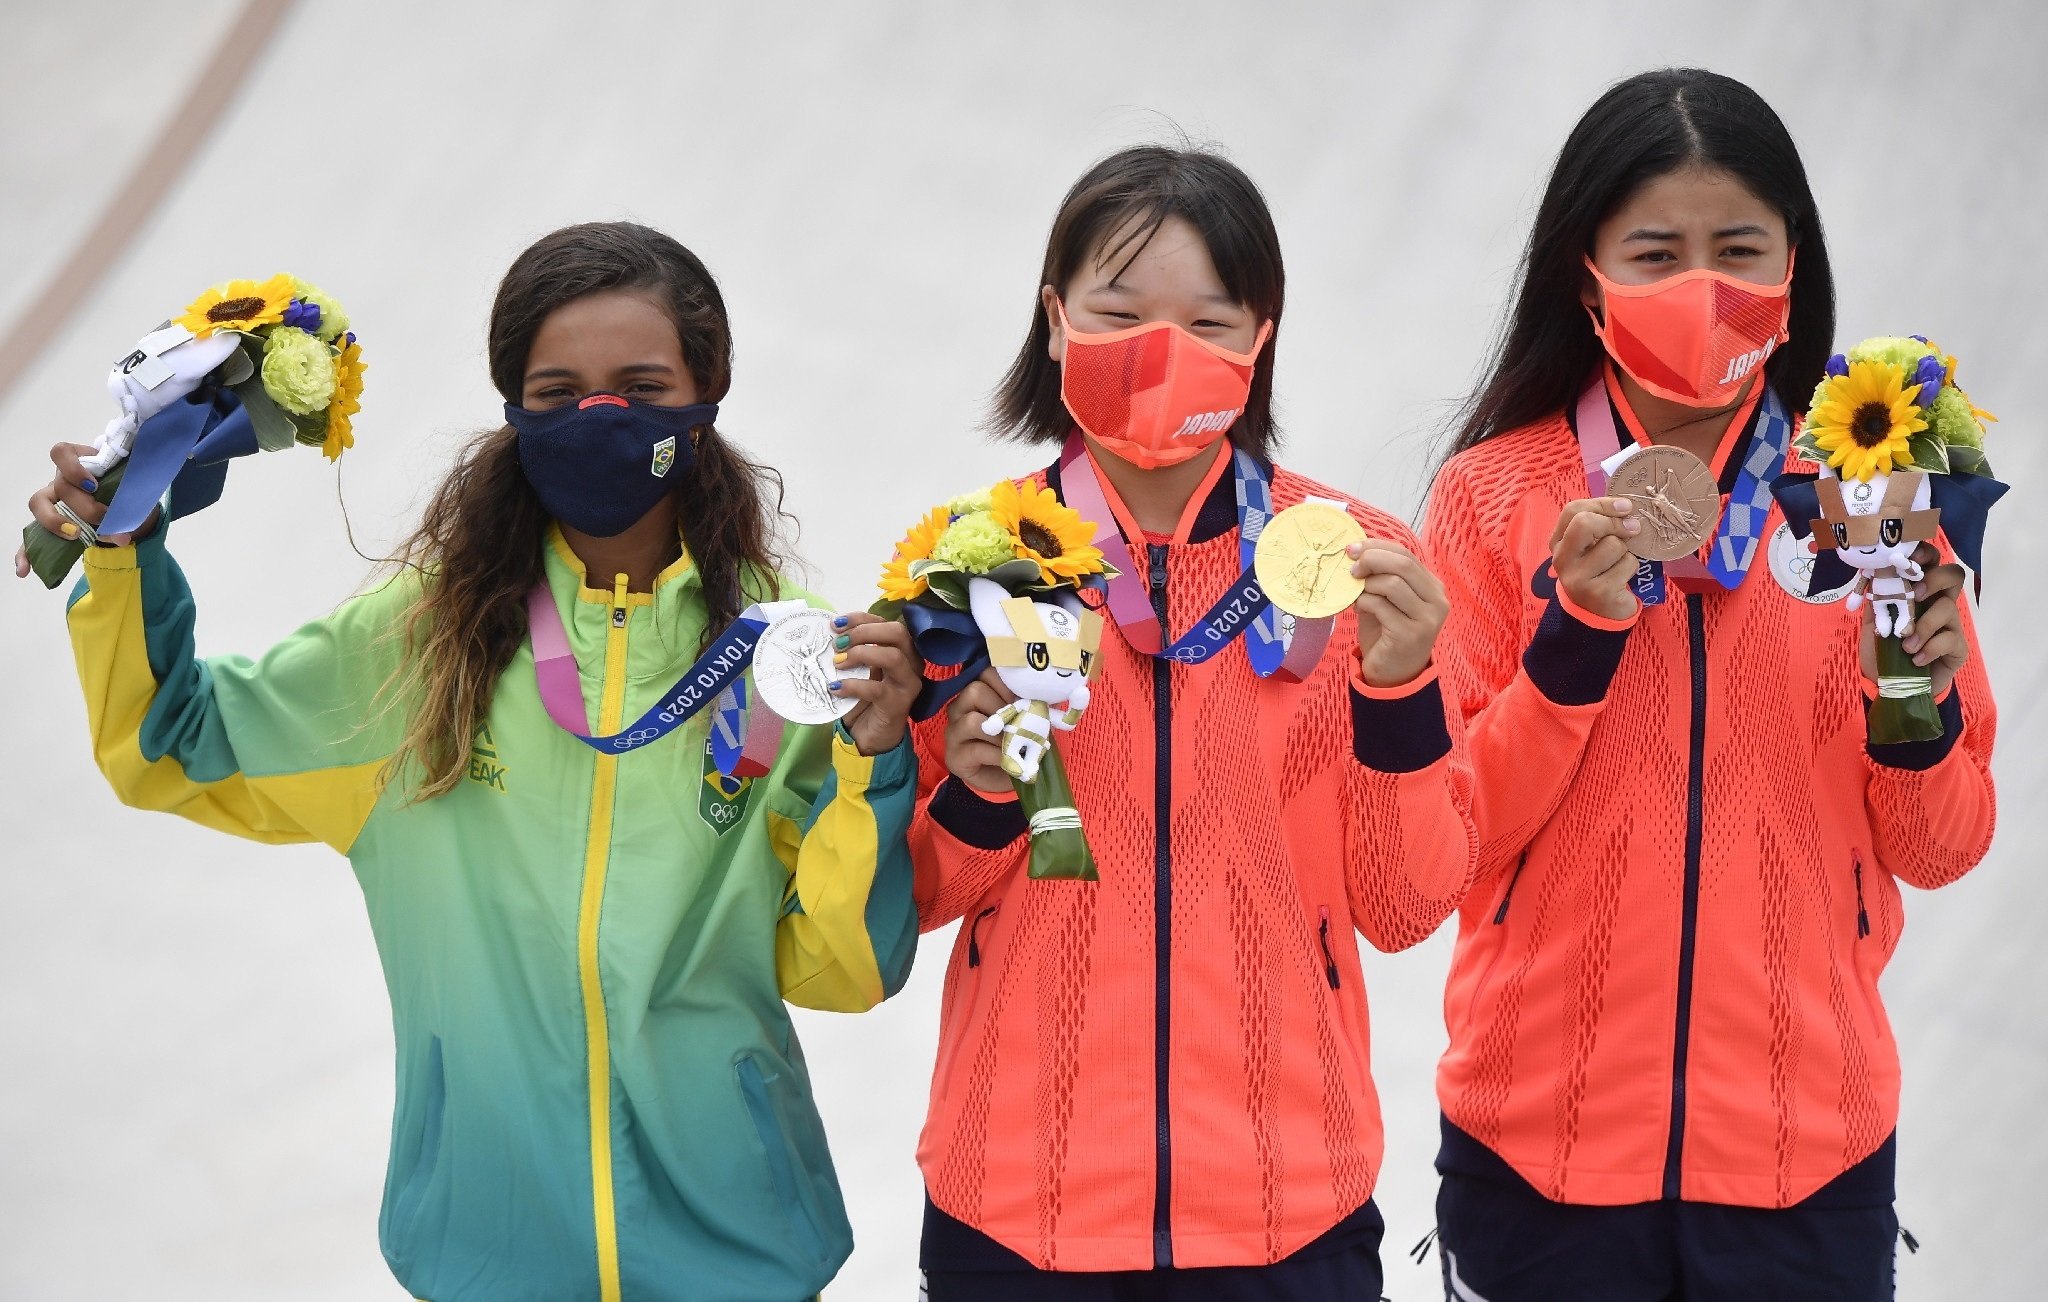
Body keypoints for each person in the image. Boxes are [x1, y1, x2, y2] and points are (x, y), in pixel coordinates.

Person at [24, 222, 922, 1302]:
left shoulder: (787, 662)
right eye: (557, 393)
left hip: (734, 1251)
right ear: (512, 409)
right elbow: (171, 747)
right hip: (487, 1249)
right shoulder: (412, 648)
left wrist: (877, 762)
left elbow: (842, 970)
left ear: (706, 394)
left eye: (640, 387)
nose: (598, 418)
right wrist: (121, 554)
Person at [1421, 69, 1996, 1300]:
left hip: (1804, 1159)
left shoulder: (1871, 501)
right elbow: (1440, 839)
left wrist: (1921, 718)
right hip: (1537, 1158)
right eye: (1654, 252)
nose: (1702, 289)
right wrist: (1569, 642)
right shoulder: (1492, 498)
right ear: (1584, 275)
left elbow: (1941, 846)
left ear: (1793, 270)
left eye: (1738, 249)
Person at [908, 145, 1480, 1300]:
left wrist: (1399, 690)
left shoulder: (1354, 562)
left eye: (1207, 323)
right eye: (1120, 314)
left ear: (1259, 338)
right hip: (1016, 1210)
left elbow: (1405, 904)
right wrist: (971, 790)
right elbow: (918, 898)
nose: (1162, 354)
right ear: (1056, 318)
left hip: (1286, 1207)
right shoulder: (970, 569)